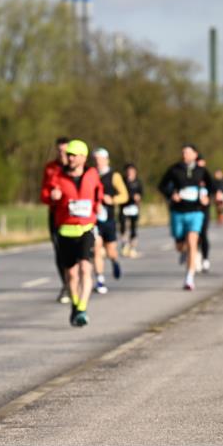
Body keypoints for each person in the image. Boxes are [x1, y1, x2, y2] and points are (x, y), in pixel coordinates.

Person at [48, 140, 101, 327]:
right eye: (68, 155)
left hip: (86, 228)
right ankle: (75, 304)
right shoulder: (58, 176)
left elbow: (98, 193)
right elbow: (46, 195)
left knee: (86, 268)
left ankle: (82, 308)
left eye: (73, 155)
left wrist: (98, 207)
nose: (69, 158)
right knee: (71, 274)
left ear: (83, 157)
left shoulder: (92, 174)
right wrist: (53, 197)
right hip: (65, 229)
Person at [158, 144, 213, 290]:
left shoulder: (201, 171)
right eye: (183, 152)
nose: (185, 155)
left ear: (195, 155)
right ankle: (183, 251)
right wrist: (171, 194)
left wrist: (207, 198)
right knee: (180, 246)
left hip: (196, 211)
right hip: (178, 211)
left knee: (192, 241)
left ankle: (189, 278)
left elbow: (213, 187)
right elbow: (162, 186)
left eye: (188, 153)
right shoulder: (174, 169)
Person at [40, 137, 71, 302]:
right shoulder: (50, 168)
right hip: (55, 214)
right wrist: (51, 197)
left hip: (74, 215)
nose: (63, 154)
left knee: (75, 251)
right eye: (59, 151)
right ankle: (66, 285)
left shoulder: (78, 169)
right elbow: (43, 192)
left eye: (65, 151)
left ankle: (76, 281)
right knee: (59, 251)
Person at [92, 148, 126, 294]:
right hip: (94, 218)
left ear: (107, 160)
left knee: (111, 251)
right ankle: (100, 279)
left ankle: (114, 261)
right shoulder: (90, 175)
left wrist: (112, 200)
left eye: (100, 159)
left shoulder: (114, 176)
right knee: (96, 247)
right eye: (96, 160)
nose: (98, 162)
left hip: (109, 219)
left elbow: (124, 195)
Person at [195, 155, 220, 273]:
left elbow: (214, 189)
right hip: (192, 209)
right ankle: (193, 254)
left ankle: (205, 259)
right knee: (193, 235)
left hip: (204, 210)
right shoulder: (190, 176)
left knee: (203, 234)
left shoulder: (207, 176)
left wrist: (210, 197)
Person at [118, 163, 143, 257]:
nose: (130, 173)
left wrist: (138, 198)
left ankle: (133, 248)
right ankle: (124, 245)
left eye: (132, 171)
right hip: (124, 207)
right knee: (123, 227)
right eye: (128, 171)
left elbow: (141, 194)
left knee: (133, 228)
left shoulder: (138, 182)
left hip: (133, 208)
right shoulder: (122, 181)